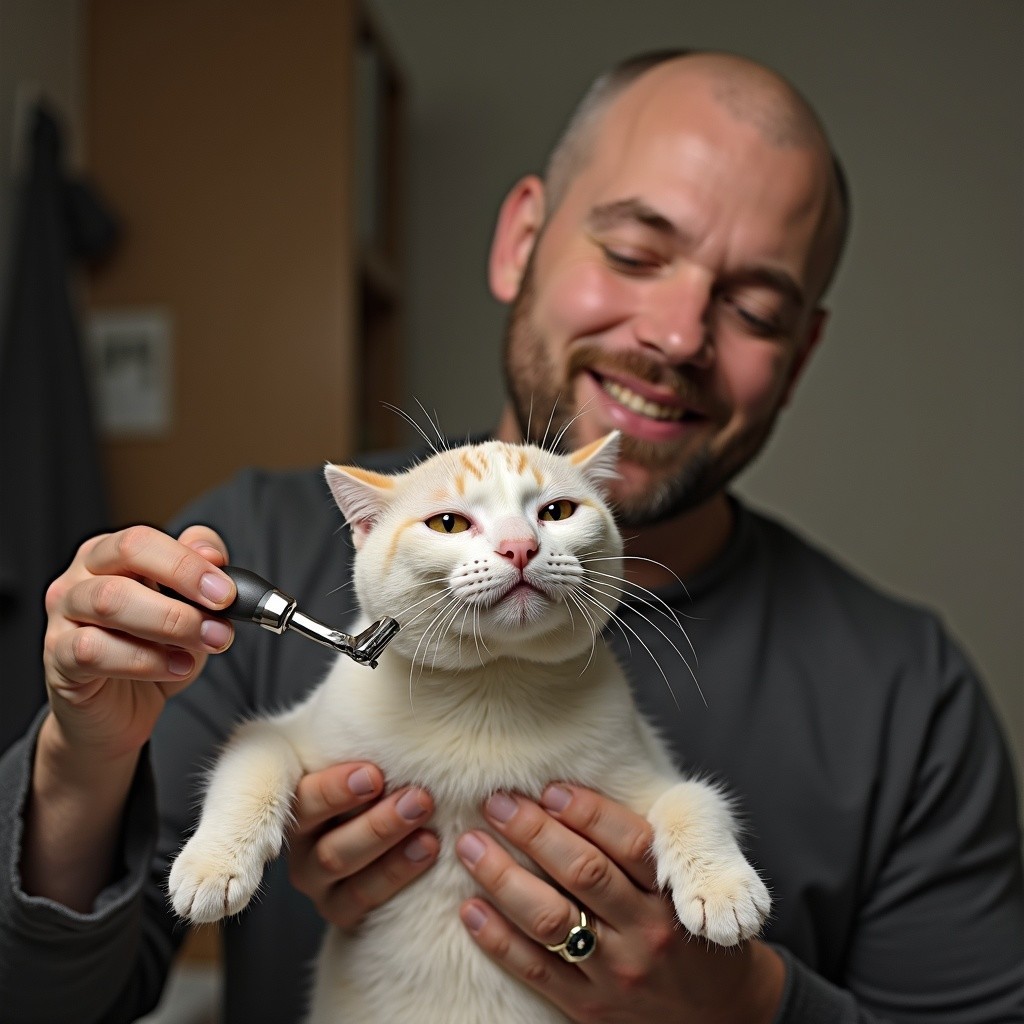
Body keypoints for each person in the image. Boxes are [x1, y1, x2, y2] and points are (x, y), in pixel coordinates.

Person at [1, 49, 1021, 1024]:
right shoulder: (255, 552)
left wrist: (749, 1004)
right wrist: (77, 767)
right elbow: (48, 999)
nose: (675, 335)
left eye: (753, 307)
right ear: (519, 239)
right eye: (632, 253)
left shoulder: (909, 697)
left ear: (800, 356)